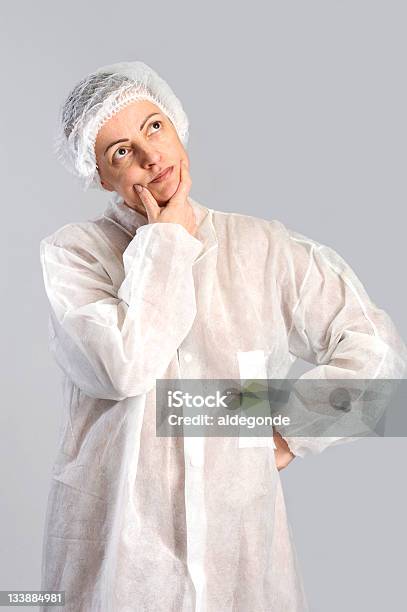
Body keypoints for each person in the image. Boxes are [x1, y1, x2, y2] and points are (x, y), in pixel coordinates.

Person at [39, 60, 407, 612]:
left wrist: (285, 429)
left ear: (176, 123)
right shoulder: (76, 255)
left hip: (240, 559)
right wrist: (166, 239)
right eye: (120, 151)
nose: (149, 156)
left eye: (153, 127)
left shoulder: (262, 248)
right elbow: (124, 368)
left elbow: (380, 364)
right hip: (118, 559)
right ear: (98, 176)